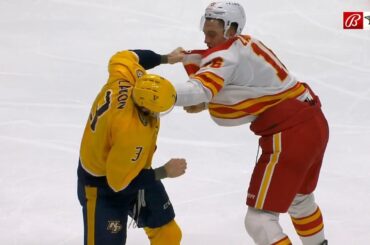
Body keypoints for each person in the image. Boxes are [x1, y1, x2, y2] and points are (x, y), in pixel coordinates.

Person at [172, 2, 329, 245]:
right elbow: (250, 89)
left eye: (211, 33)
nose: (206, 39)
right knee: (300, 200)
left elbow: (200, 89)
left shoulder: (227, 57)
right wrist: (205, 102)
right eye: (205, 31)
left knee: (258, 220)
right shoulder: (247, 44)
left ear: (231, 29)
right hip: (313, 122)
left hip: (290, 135)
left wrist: (160, 94)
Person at [77, 49, 187, 245]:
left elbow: (127, 56)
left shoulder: (126, 79)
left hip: (133, 171)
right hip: (103, 187)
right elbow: (117, 183)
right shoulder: (130, 132)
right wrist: (164, 172)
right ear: (145, 108)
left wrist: (165, 58)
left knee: (168, 235)